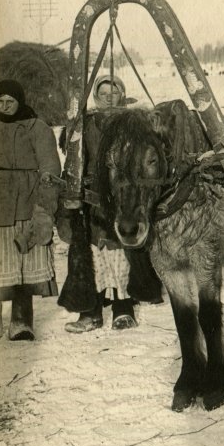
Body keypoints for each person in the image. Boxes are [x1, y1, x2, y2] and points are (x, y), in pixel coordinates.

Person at [61, 75, 150, 333]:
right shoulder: (86, 123)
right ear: (97, 95)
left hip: (121, 194)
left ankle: (123, 309)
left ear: (122, 94)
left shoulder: (131, 122)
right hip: (90, 195)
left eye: (115, 92)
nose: (110, 97)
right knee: (90, 253)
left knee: (120, 252)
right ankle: (90, 312)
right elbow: (72, 151)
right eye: (104, 92)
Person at [0, 80, 61, 341]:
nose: (5, 106)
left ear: (20, 101)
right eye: (0, 101)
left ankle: (21, 320)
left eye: (11, 101)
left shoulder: (36, 127)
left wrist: (45, 200)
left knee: (24, 263)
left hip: (27, 200)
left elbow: (50, 165)